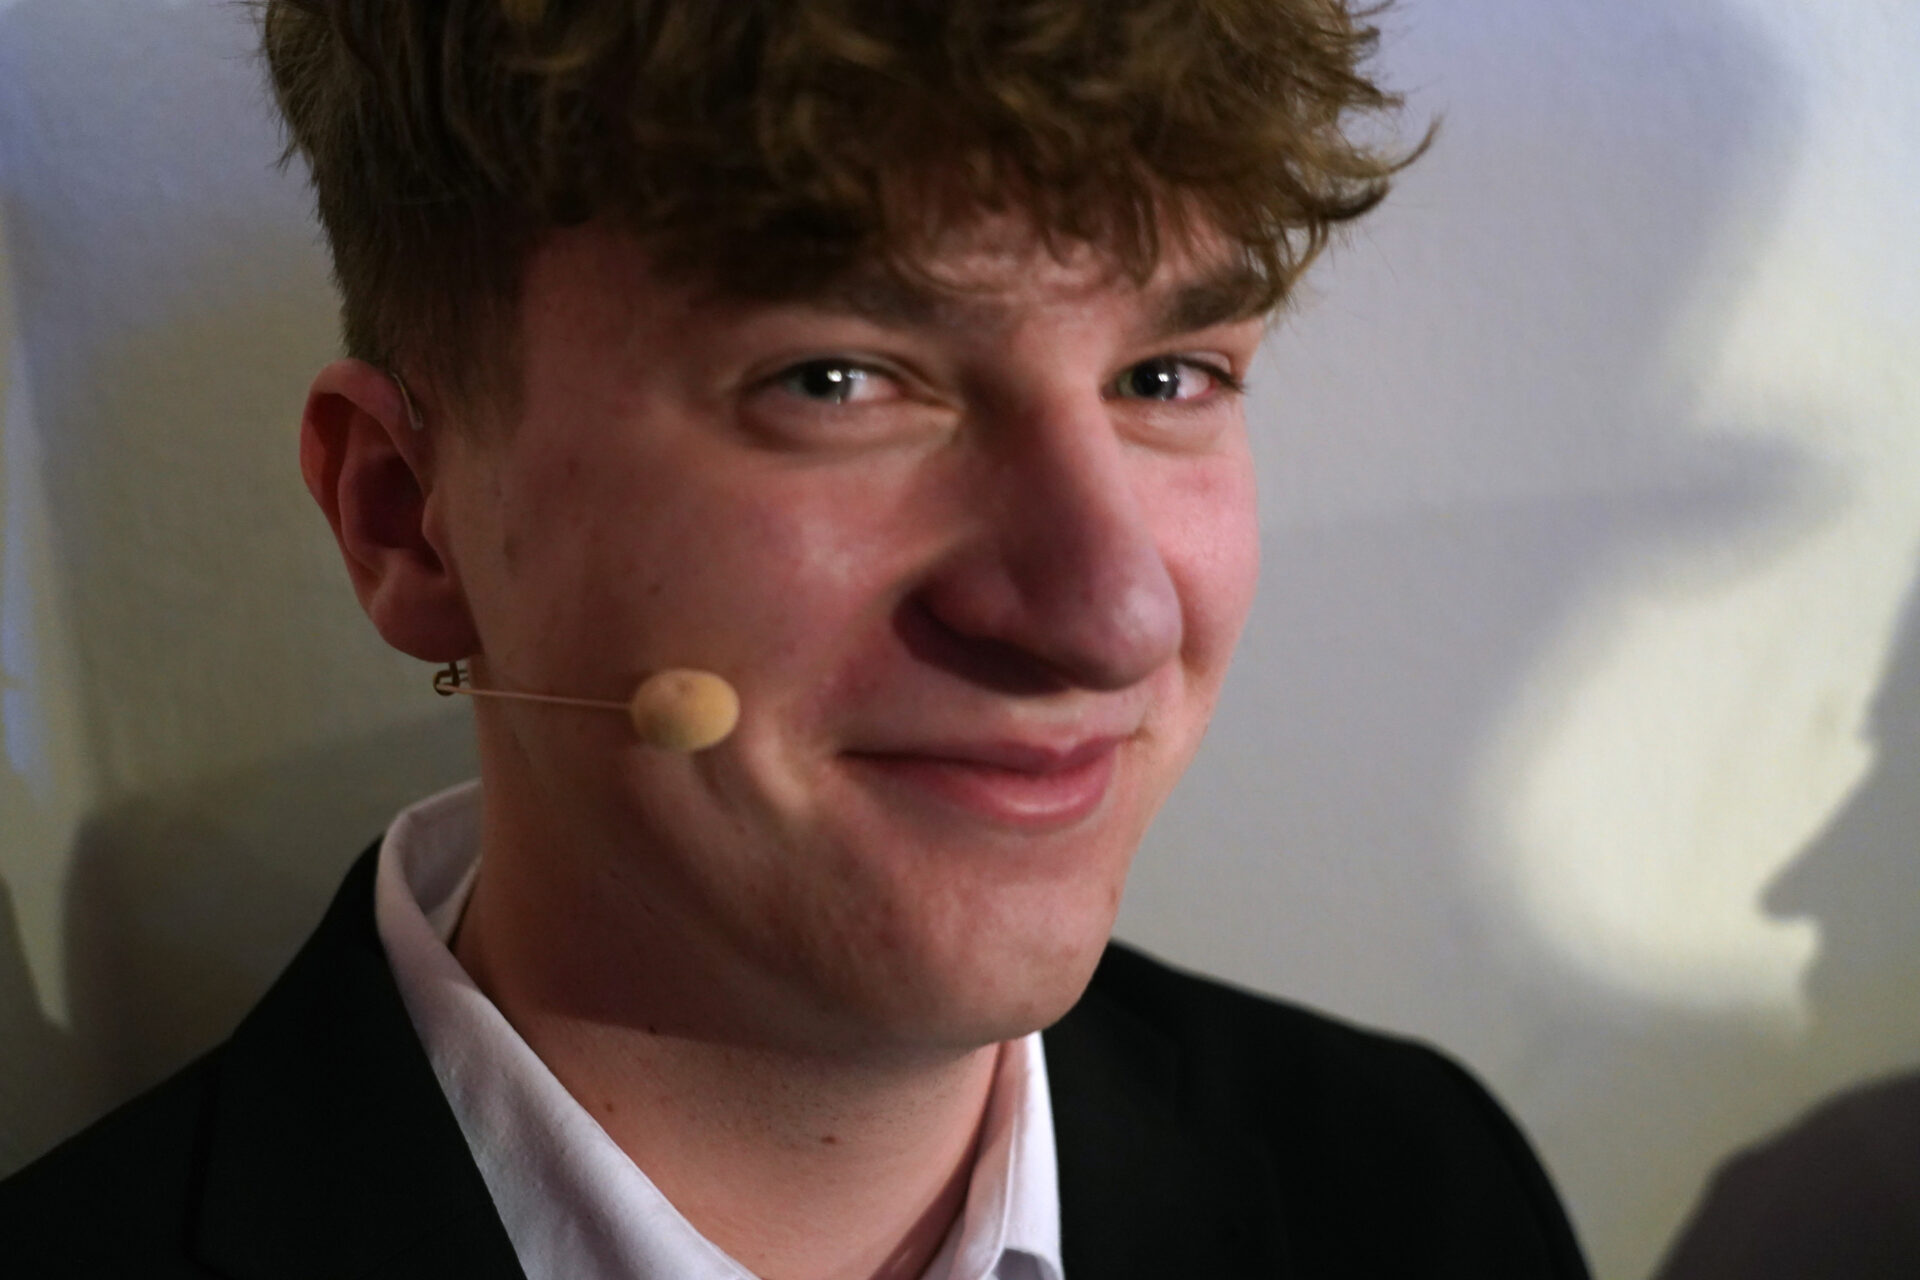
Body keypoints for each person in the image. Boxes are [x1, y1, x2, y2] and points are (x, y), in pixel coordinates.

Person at [0, 1, 1591, 1276]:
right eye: (836, 380)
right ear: (407, 519)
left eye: (1166, 377)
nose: (1114, 617)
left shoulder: (1417, 1190)